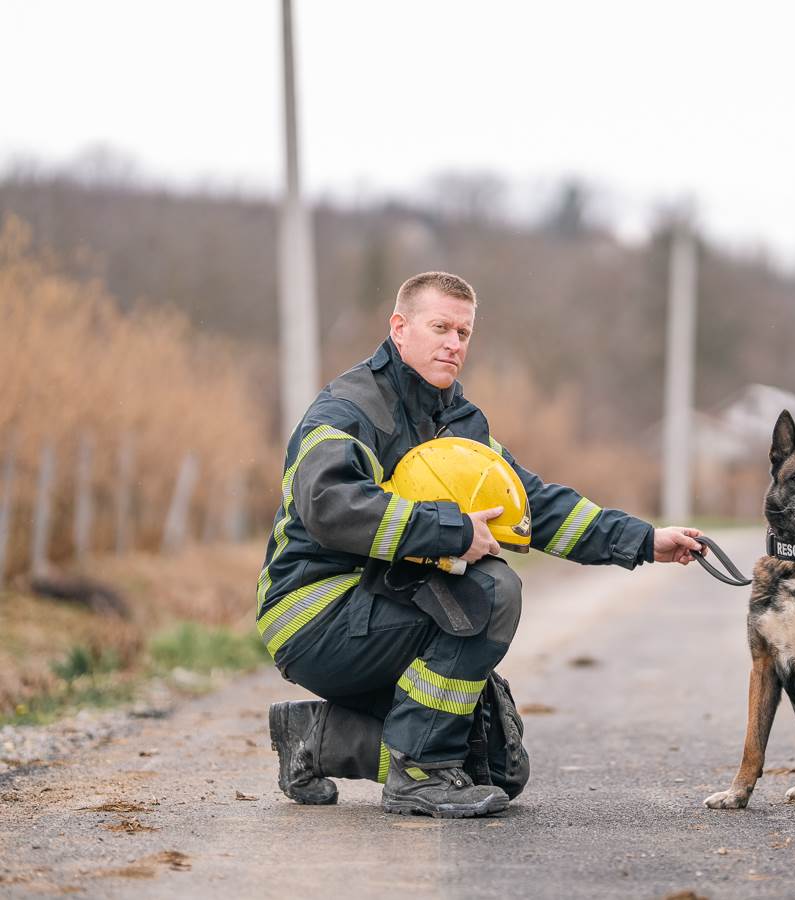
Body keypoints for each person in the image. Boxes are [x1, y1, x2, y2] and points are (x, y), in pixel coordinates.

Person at [257, 271, 704, 818]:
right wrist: (455, 531)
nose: (453, 343)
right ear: (399, 328)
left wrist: (643, 540)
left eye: (463, 333)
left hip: (381, 605)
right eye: (440, 327)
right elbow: (331, 507)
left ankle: (313, 737)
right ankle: (418, 776)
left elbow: (530, 505)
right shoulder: (350, 410)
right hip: (314, 613)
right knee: (490, 590)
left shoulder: (458, 420)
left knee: (495, 766)